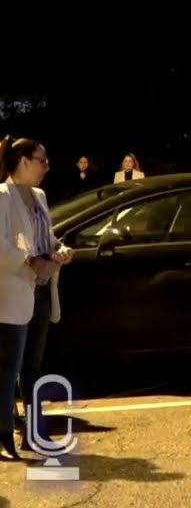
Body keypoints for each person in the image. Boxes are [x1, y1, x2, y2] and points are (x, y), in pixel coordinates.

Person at [0, 137, 72, 460]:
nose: (46, 167)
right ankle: (4, 431)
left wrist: (59, 250)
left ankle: (33, 432)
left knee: (33, 366)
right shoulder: (2, 196)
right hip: (14, 291)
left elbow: (46, 237)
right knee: (8, 366)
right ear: (24, 161)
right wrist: (29, 260)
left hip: (41, 289)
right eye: (42, 160)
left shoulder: (40, 196)